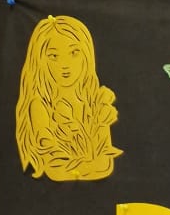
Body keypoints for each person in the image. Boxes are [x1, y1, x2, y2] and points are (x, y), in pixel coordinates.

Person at [14, 13, 121, 180]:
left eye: (74, 52)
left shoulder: (95, 100)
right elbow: (55, 167)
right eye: (53, 56)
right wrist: (84, 164)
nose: (65, 64)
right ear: (40, 60)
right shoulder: (39, 105)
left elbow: (104, 164)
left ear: (86, 55)